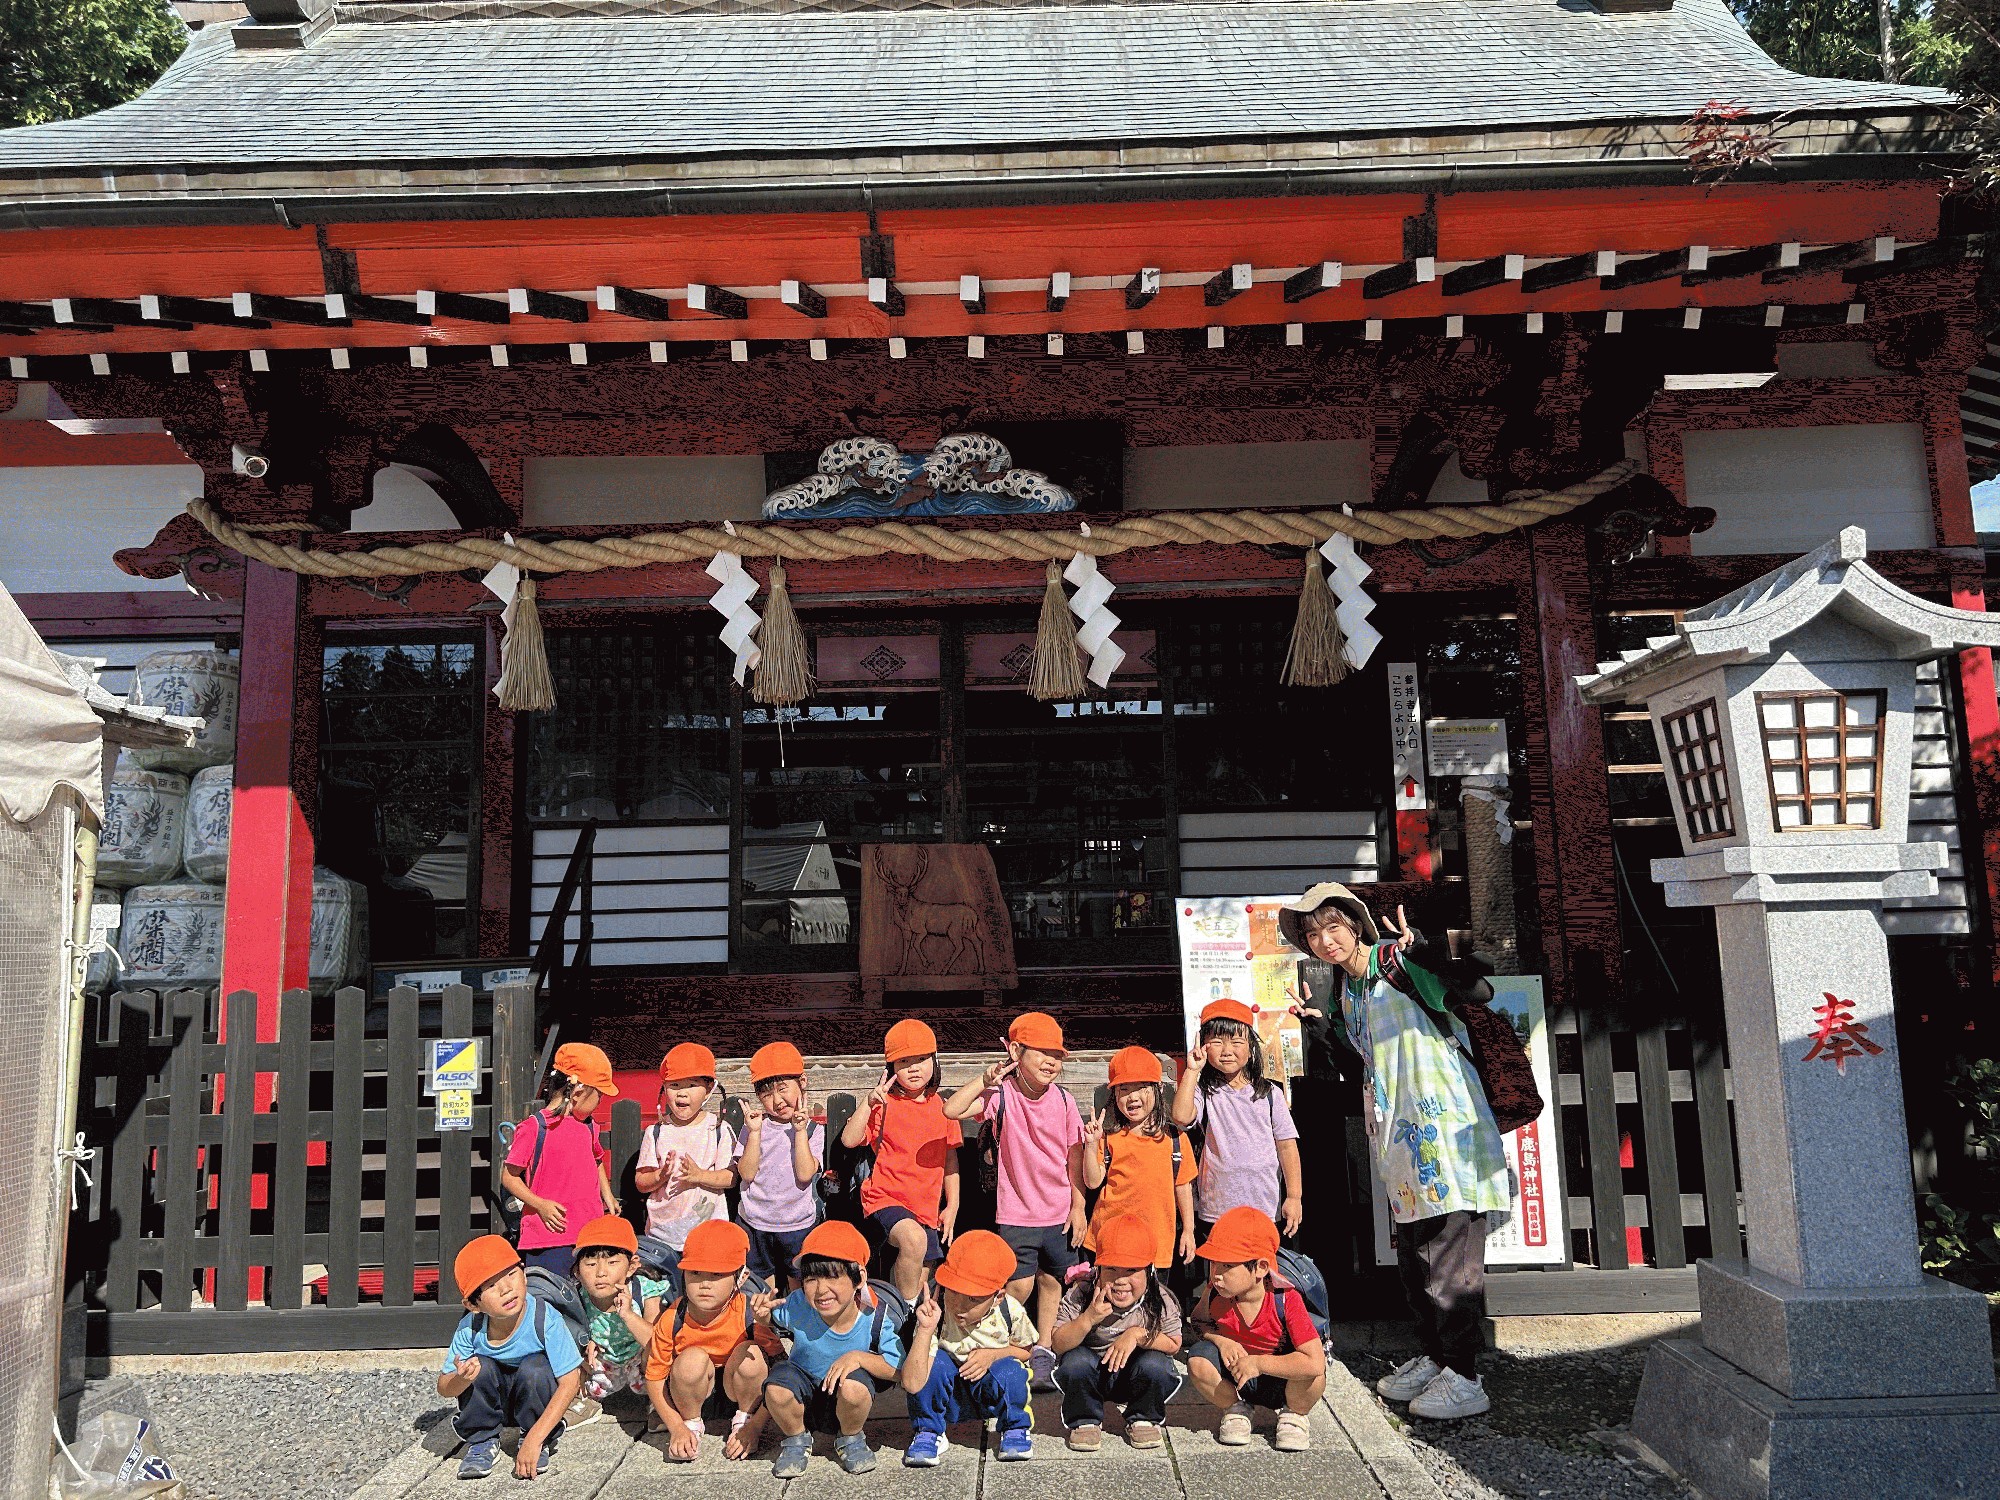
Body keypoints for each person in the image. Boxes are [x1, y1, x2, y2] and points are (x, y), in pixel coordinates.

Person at [1279, 882, 1511, 1422]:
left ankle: (1465, 1375)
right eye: (1312, 934)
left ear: (1355, 925)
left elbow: (1475, 992)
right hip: (1402, 1139)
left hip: (1447, 1130)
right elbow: (1359, 1063)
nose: (1324, 940)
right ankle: (1436, 1357)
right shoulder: (1347, 991)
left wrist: (1425, 951)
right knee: (1415, 1255)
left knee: (1450, 1257)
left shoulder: (1396, 962)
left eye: (1333, 927)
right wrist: (1320, 1029)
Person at [943, 1011, 1086, 1389]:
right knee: (1018, 1286)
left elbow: (1074, 1157)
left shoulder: (1065, 1101)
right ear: (1016, 1052)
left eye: (1057, 1055)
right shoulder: (1002, 1095)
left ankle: (1044, 1350)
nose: (1051, 1062)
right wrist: (984, 1079)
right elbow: (951, 1110)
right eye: (1042, 1052)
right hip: (1016, 1212)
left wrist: (1078, 1205)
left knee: (1055, 1281)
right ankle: (1003, 1344)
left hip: (1058, 1211)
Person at [752, 1221, 905, 1478]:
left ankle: (850, 1438)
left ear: (859, 1278)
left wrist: (858, 1358)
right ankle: (796, 1439)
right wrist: (762, 1315)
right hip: (803, 1393)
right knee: (776, 1386)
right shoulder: (799, 1303)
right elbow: (775, 1318)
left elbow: (898, 1369)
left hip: (846, 1397)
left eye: (833, 1277)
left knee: (855, 1388)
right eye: (811, 1279)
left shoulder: (876, 1317)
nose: (821, 1290)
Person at [438, 1234, 583, 1481]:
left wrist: (535, 1438)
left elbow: (570, 1381)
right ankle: (482, 1440)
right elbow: (444, 1387)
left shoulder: (544, 1318)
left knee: (536, 1367)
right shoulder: (470, 1327)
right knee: (479, 1367)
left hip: (533, 1400)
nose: (506, 1289)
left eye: (511, 1274)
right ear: (473, 1305)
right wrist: (461, 1379)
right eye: (491, 1286)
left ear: (524, 1274)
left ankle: (533, 1436)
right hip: (496, 1402)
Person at [1185, 1207, 1325, 1452]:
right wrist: (1221, 1341)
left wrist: (1259, 1364)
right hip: (1237, 1376)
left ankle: (1294, 1415)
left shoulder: (1285, 1299)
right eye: (1213, 1264)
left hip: (1282, 1381)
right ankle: (1236, 1409)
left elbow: (1315, 1363)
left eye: (1227, 1265)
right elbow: (1198, 1322)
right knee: (1198, 1360)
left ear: (1260, 1268)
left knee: (1314, 1377)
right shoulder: (1215, 1293)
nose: (1216, 1275)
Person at [841, 1018, 961, 1301]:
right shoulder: (884, 1104)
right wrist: (868, 1103)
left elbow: (950, 1160)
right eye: (904, 1061)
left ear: (934, 1061)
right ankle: (904, 1311)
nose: (914, 1068)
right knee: (913, 1240)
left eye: (921, 1059)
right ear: (891, 1067)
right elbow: (849, 1140)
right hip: (885, 1198)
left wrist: (952, 1204)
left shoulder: (943, 1107)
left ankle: (903, 1315)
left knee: (923, 1277)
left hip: (927, 1208)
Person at [643, 1219, 782, 1462]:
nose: (704, 1284)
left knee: (751, 1354)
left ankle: (744, 1420)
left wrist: (756, 1426)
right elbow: (654, 1377)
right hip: (692, 1396)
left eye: (717, 1274)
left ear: (741, 1277)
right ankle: (691, 1424)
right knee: (691, 1359)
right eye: (695, 1273)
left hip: (742, 1395)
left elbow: (781, 1370)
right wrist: (676, 1426)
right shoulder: (673, 1317)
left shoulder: (749, 1314)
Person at [898, 1230, 1037, 1466]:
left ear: (998, 1297)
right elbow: (912, 1383)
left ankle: (1014, 1427)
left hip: (988, 1391)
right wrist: (925, 1329)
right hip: (950, 1394)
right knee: (935, 1363)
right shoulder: (935, 1311)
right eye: (953, 1291)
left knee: (1012, 1370)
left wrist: (993, 1355)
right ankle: (929, 1431)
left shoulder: (1010, 1311)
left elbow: (1026, 1350)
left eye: (973, 1299)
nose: (960, 1305)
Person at [1171, 998, 1303, 1241]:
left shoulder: (1270, 1094)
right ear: (1203, 1045)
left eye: (1236, 1041)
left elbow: (1287, 1146)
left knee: (1261, 1263)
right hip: (1216, 1208)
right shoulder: (1204, 1091)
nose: (1227, 1050)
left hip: (1264, 1205)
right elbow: (1180, 1116)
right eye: (1217, 1041)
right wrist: (1192, 1070)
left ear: (1251, 1047)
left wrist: (1294, 1197)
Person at [1049, 1213, 1184, 1452]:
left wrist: (1136, 1335)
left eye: (1131, 1270)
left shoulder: (1160, 1298)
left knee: (1157, 1364)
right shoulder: (1081, 1293)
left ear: (1149, 1271)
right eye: (1111, 1269)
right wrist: (1087, 1319)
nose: (1120, 1280)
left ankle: (1143, 1416)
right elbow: (1058, 1343)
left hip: (1135, 1376)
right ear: (1098, 1269)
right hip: (1093, 1375)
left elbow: (1174, 1343)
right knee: (1074, 1361)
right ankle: (1085, 1419)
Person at [499, 1043, 622, 1276]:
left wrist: (607, 1195)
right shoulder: (534, 1127)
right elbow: (509, 1177)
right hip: (548, 1238)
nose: (601, 1101)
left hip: (589, 1236)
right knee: (550, 1295)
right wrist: (540, 1205)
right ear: (578, 1092)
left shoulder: (589, 1126)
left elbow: (596, 1160)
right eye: (599, 1094)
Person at [1081, 1046, 1198, 1272]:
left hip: (1157, 1243)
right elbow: (1093, 1182)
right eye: (1124, 1089)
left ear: (1158, 1089)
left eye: (1142, 1088)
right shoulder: (1108, 1136)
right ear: (1114, 1095)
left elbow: (1183, 1186)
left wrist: (1188, 1230)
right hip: (1109, 1240)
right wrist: (1092, 1144)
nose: (1132, 1097)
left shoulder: (1175, 1139)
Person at [635, 1042, 749, 1269]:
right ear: (664, 1089)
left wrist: (699, 1176)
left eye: (692, 1085)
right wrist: (660, 1175)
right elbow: (641, 1182)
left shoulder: (717, 1129)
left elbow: (731, 1178)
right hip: (662, 1234)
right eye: (674, 1085)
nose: (682, 1092)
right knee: (666, 1285)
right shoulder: (656, 1132)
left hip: (707, 1233)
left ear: (708, 1089)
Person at [736, 1040, 824, 1291]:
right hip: (755, 1221)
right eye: (766, 1094)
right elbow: (746, 1173)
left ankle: (796, 1317)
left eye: (783, 1088)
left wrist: (800, 1132)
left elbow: (805, 1174)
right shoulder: (754, 1127)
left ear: (802, 1082)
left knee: (799, 1283)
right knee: (762, 1287)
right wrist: (754, 1133)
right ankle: (769, 1317)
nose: (777, 1100)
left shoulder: (813, 1130)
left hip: (797, 1223)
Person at [570, 1214, 668, 1403]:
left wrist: (628, 1315)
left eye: (612, 1262)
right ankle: (581, 1405)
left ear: (632, 1267)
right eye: (591, 1264)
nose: (601, 1273)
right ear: (577, 1272)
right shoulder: (577, 1297)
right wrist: (583, 1343)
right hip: (601, 1364)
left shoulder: (645, 1290)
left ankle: (660, 1403)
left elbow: (657, 1342)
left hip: (640, 1362)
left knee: (660, 1354)